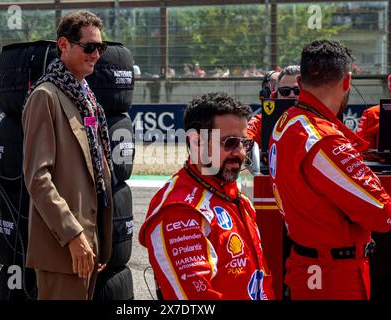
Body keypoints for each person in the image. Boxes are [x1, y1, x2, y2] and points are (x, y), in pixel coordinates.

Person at [269, 39, 391, 300]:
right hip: (333, 275)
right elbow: (382, 214)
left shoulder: (287, 121)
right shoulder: (322, 140)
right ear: (347, 81)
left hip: (311, 263)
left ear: (300, 82)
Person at [139, 92, 275, 300]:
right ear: (196, 143)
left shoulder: (234, 196)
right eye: (230, 142)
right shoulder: (180, 211)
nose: (240, 152)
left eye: (244, 143)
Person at [22, 11, 113, 300]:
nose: (96, 54)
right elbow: (38, 178)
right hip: (64, 248)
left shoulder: (86, 96)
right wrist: (73, 236)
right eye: (89, 47)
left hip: (89, 243)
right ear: (64, 45)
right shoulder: (45, 96)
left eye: (101, 47)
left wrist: (98, 239)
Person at [248, 66, 299, 147]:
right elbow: (245, 139)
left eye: (297, 91)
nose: (292, 95)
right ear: (276, 95)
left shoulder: (319, 117)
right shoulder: (262, 121)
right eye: (285, 91)